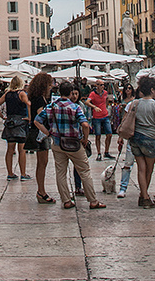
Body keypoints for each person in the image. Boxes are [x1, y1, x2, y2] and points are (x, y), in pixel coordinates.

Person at [35, 81, 106, 210]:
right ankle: (93, 201)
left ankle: (66, 201)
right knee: (84, 171)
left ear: (59, 92)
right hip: (74, 144)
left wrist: (48, 133)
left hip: (57, 143)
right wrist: (85, 138)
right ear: (70, 92)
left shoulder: (51, 106)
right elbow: (85, 125)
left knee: (61, 173)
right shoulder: (74, 107)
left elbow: (37, 120)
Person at [127, 75, 155, 207]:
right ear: (153, 90)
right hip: (149, 139)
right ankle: (145, 196)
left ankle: (143, 196)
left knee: (141, 169)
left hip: (135, 138)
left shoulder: (134, 103)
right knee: (149, 170)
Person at [26, 72, 56, 204]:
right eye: (50, 84)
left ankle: (41, 190)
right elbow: (40, 115)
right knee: (42, 163)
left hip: (39, 132)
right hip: (41, 133)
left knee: (42, 163)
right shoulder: (39, 99)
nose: (51, 87)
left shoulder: (37, 97)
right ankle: (41, 191)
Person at [0, 76, 31, 181]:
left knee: (10, 150)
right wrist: (29, 118)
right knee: (21, 150)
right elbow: (28, 104)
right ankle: (23, 174)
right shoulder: (22, 94)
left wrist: (2, 116)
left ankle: (10, 173)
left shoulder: (7, 94)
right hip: (20, 122)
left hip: (10, 122)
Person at [83, 79, 114, 160]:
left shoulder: (105, 93)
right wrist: (94, 107)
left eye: (103, 84)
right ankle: (99, 153)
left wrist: (105, 107)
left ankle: (106, 151)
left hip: (105, 115)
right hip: (97, 117)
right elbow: (87, 102)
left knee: (109, 134)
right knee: (98, 135)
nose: (102, 86)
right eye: (100, 85)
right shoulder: (93, 94)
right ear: (96, 85)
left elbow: (107, 99)